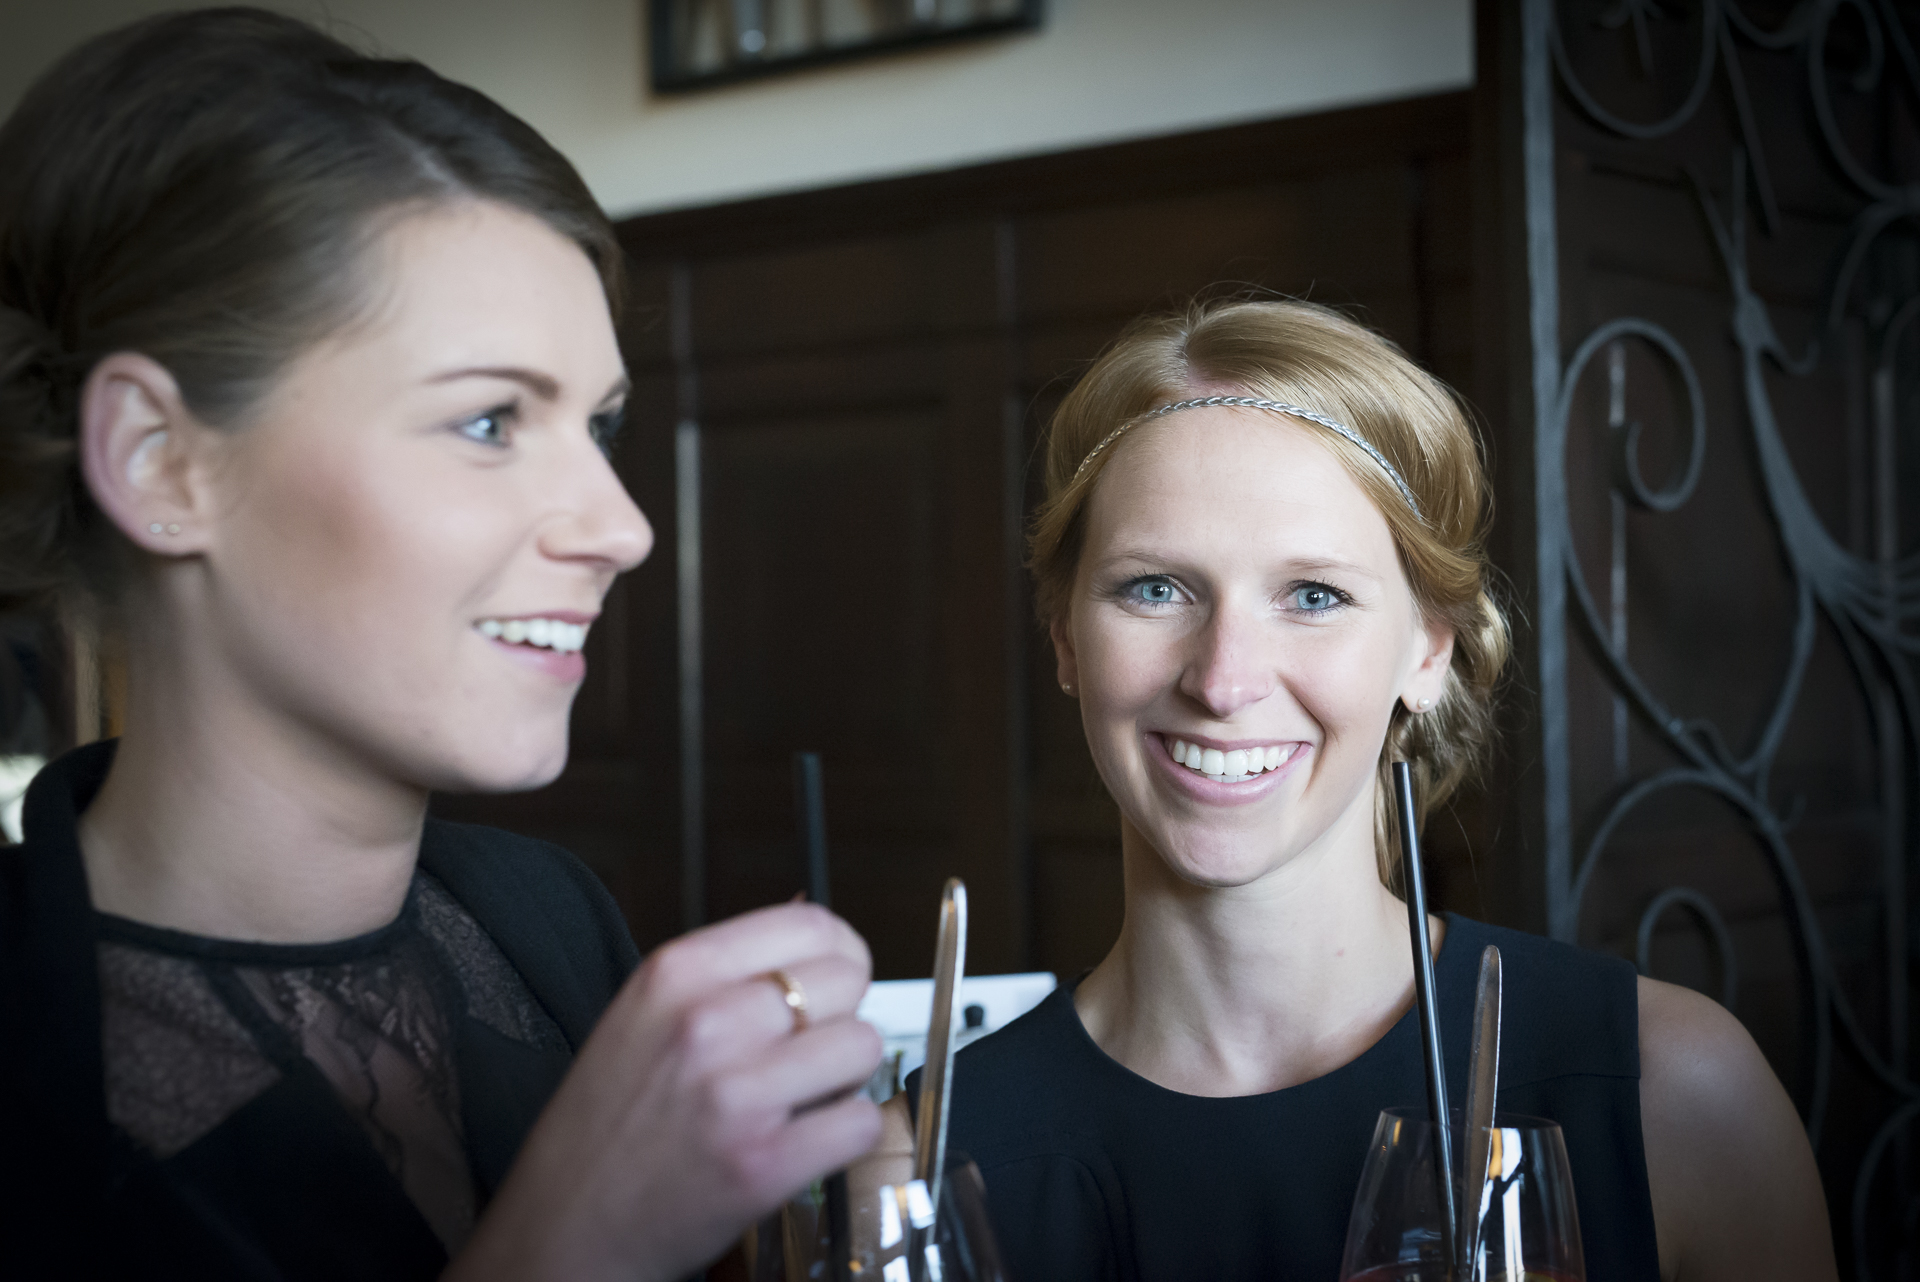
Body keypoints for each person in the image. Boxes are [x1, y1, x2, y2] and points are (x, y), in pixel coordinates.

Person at [0, 11, 882, 1279]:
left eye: (604, 427)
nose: (622, 529)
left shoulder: (546, 918)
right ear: (162, 462)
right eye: (486, 423)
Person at [906, 299, 1836, 1280]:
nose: (1223, 682)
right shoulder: (915, 1163)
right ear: (1064, 638)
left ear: (1429, 649)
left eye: (1314, 595)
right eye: (1155, 587)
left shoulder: (1674, 1096)